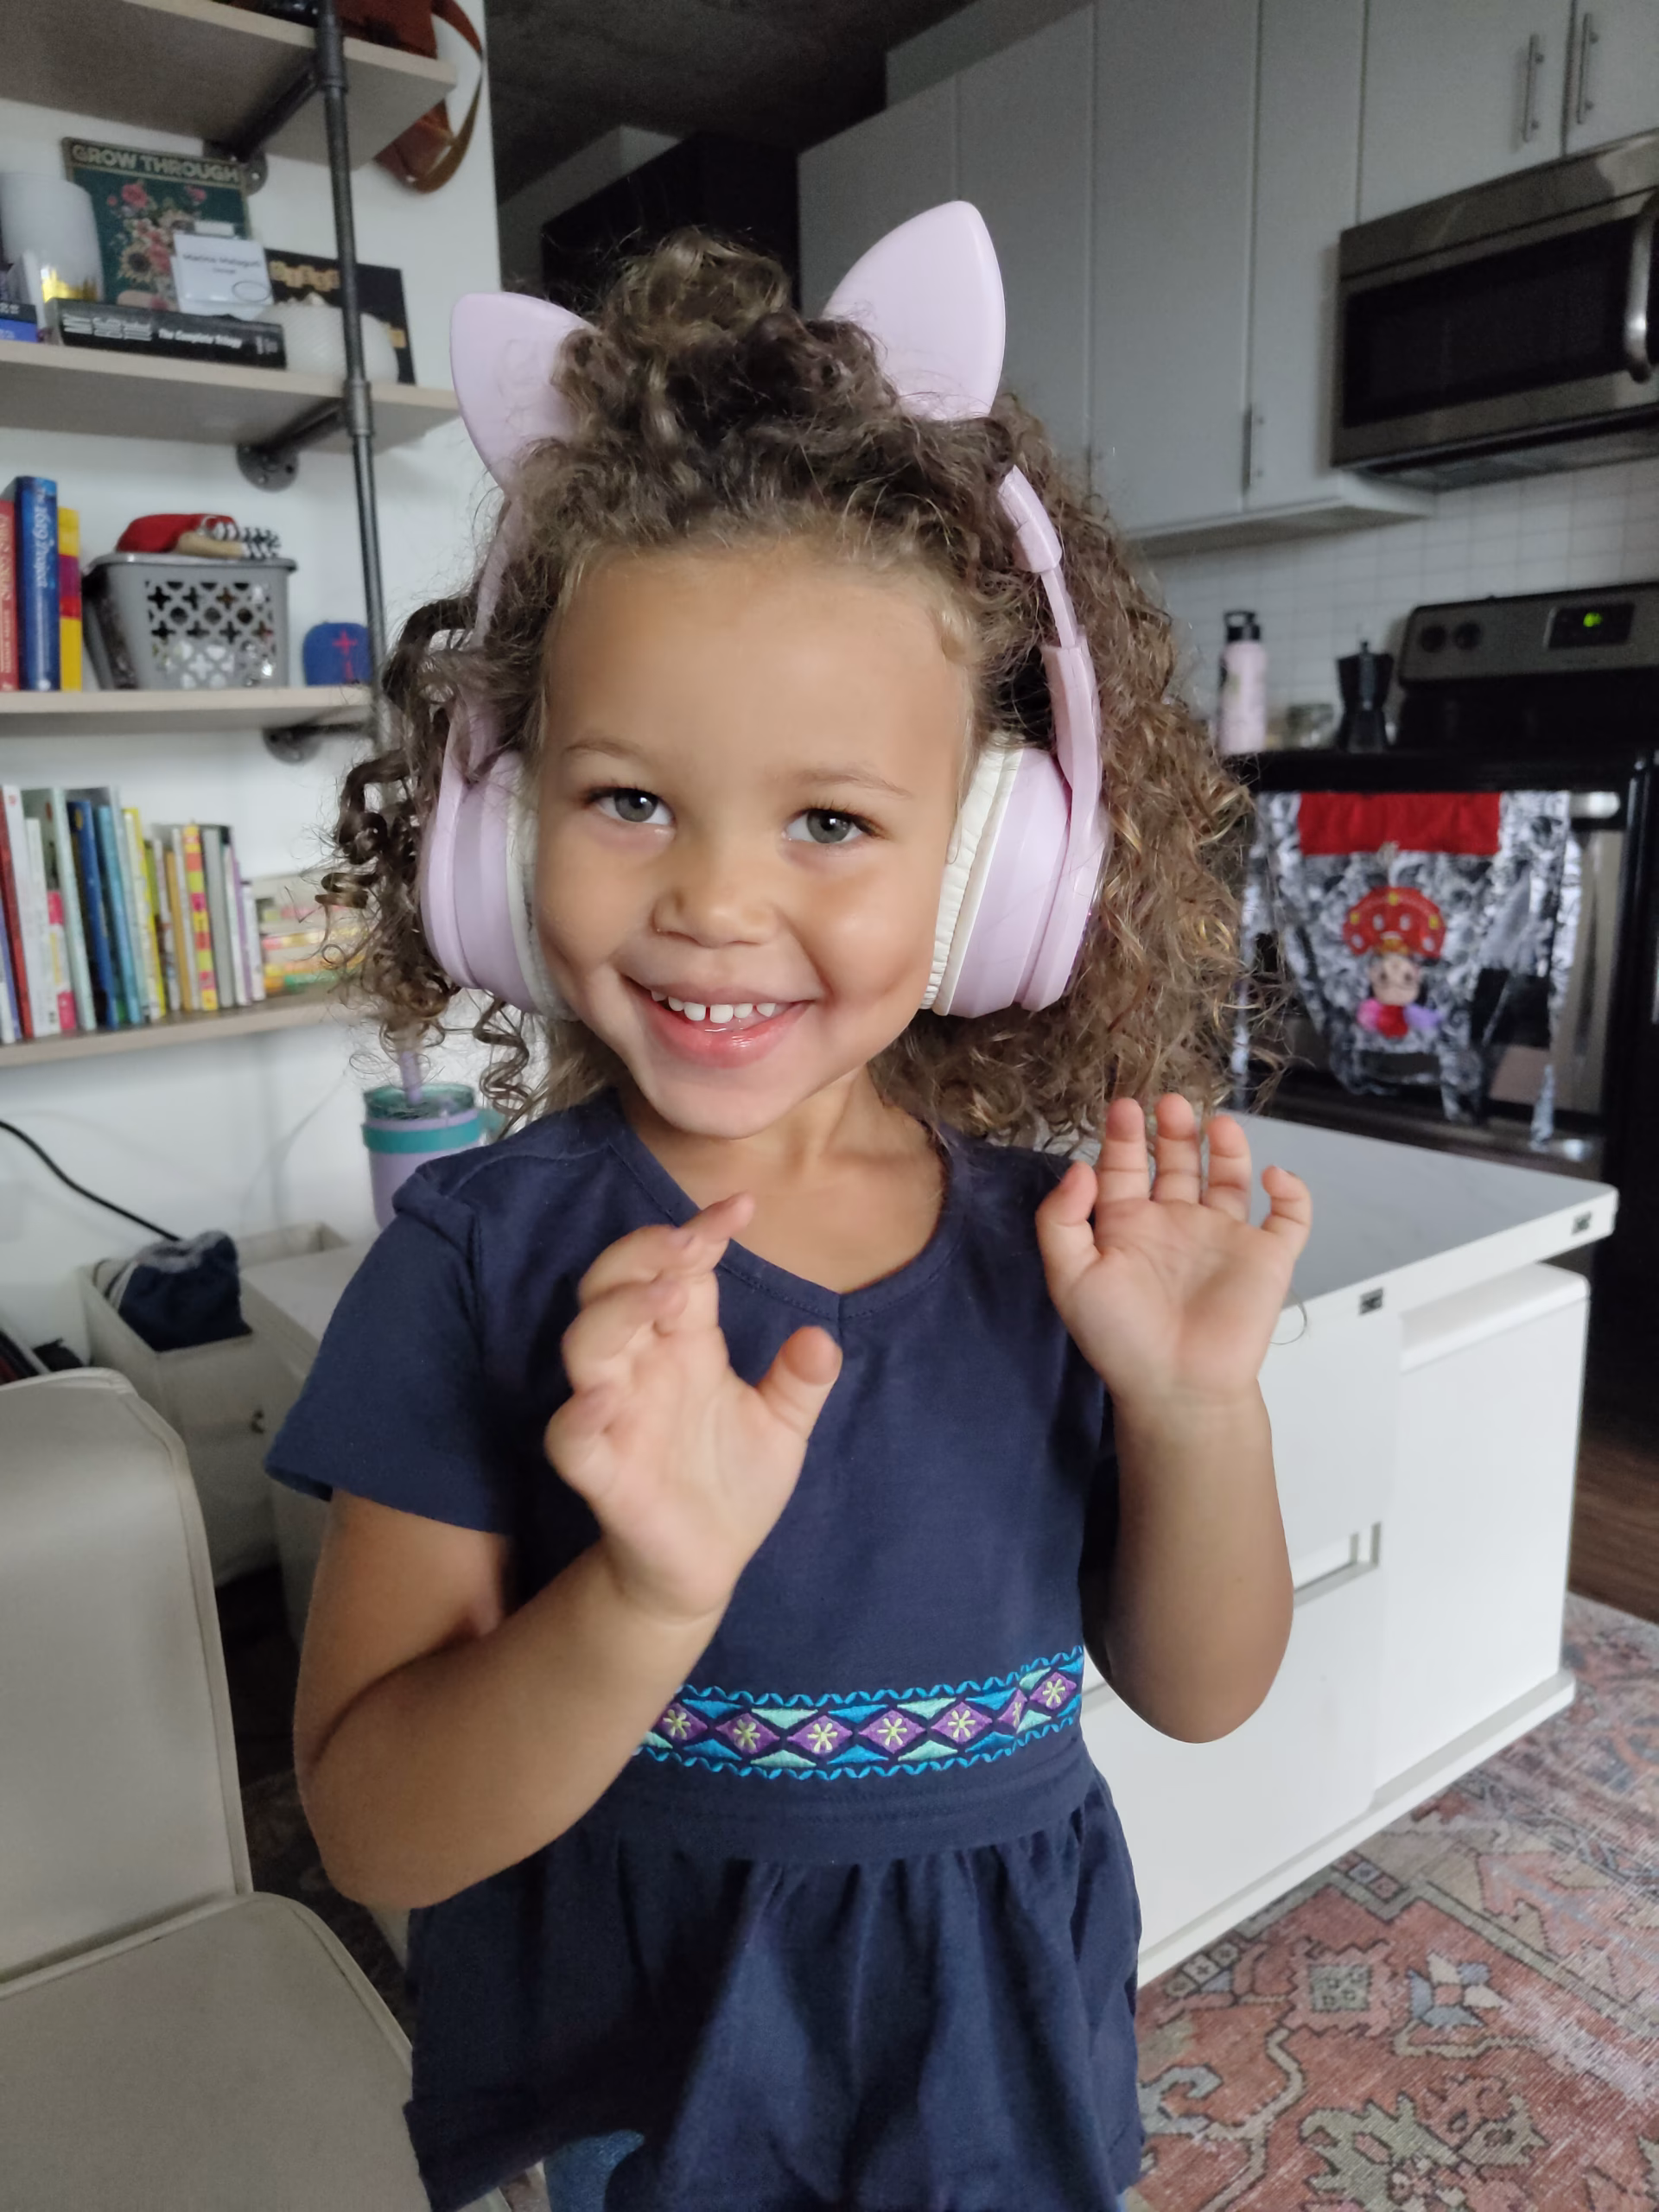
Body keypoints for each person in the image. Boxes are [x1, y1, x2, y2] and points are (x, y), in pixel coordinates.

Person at [265, 207, 1313, 2212]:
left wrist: (1195, 1409)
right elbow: (378, 1826)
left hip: (1007, 2075)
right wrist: (644, 1594)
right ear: (503, 823)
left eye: (831, 818)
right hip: (660, 2089)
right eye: (628, 797)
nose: (717, 901)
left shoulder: (1067, 1253)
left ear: (997, 869)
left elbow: (1199, 1688)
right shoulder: (472, 1261)